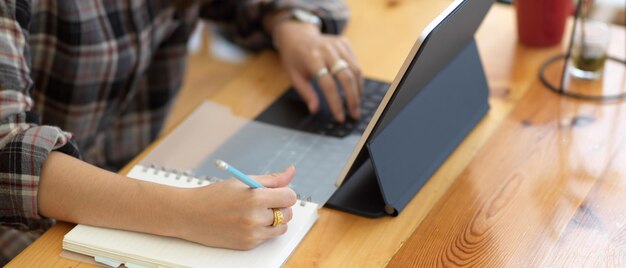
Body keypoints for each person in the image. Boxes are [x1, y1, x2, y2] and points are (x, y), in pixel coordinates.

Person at [0, 0, 363, 264]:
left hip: (127, 180)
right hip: (25, 232)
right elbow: (6, 153)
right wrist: (187, 214)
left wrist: (294, 25)